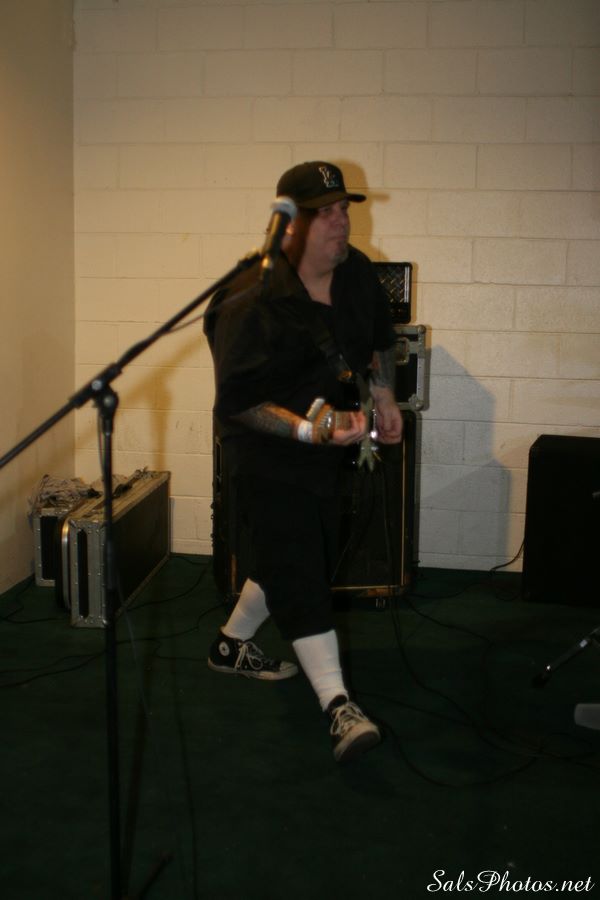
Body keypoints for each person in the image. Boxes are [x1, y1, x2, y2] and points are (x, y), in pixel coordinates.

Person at [204, 161, 404, 763]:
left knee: (292, 552)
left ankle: (230, 645)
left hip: (325, 445)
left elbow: (379, 339)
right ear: (288, 224)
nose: (341, 222)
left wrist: (385, 398)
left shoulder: (357, 272)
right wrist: (313, 430)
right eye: (324, 213)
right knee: (301, 566)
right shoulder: (247, 298)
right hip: (264, 449)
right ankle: (338, 705)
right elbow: (238, 404)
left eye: (344, 209)